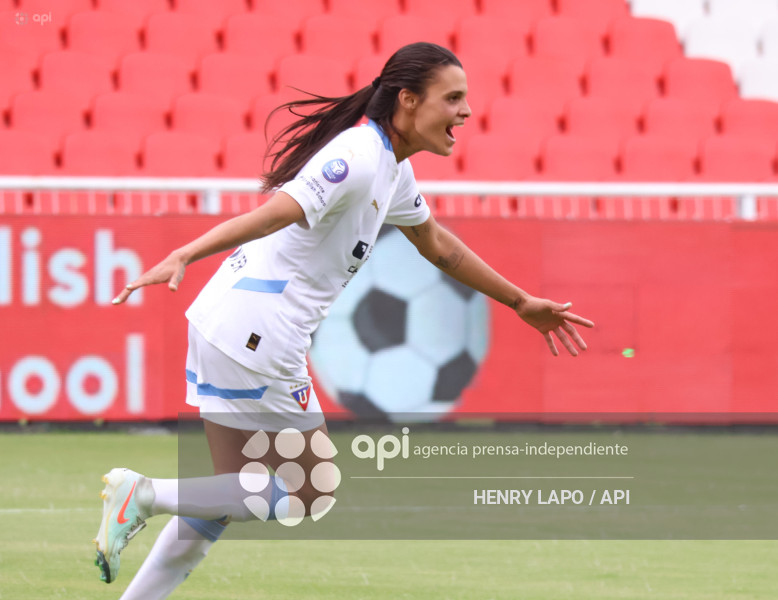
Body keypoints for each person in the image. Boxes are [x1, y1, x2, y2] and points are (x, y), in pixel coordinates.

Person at [94, 42, 594, 598]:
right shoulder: (358, 156)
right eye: (453, 98)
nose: (466, 113)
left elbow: (437, 245)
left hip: (225, 323)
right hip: (259, 334)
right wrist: (184, 252)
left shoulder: (391, 168)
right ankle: (143, 493)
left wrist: (520, 301)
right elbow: (274, 212)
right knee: (309, 491)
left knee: (230, 495)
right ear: (408, 100)